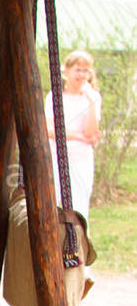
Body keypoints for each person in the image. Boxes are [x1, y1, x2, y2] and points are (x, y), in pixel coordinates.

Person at [45, 49, 101, 224]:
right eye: (78, 69)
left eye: (86, 70)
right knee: (54, 203)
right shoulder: (54, 96)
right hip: (55, 157)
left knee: (78, 206)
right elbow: (49, 129)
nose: (82, 74)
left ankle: (78, 245)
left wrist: (92, 101)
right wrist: (78, 137)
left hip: (80, 160)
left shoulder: (92, 98)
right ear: (67, 71)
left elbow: (91, 133)